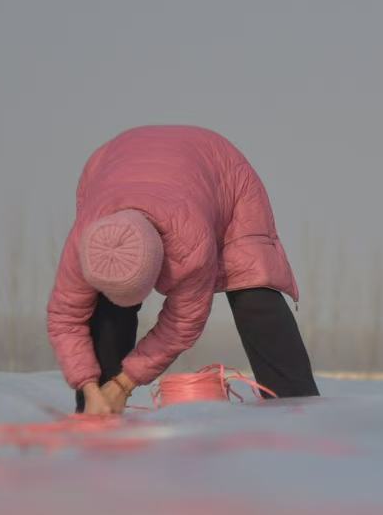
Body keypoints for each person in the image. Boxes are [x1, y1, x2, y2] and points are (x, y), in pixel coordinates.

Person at [48, 126, 319, 415]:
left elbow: (182, 323)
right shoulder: (85, 241)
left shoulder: (191, 243)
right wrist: (89, 386)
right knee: (107, 305)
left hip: (221, 170)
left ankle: (296, 409)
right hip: (112, 160)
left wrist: (124, 384)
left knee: (252, 287)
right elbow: (65, 319)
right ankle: (97, 410)